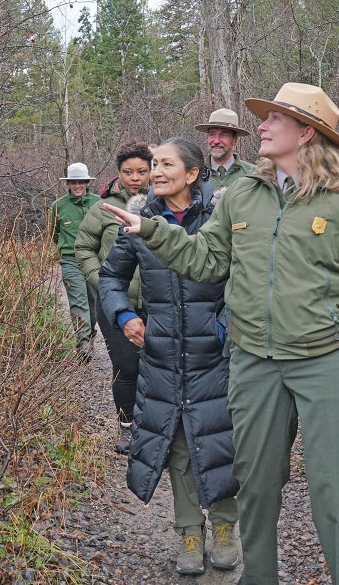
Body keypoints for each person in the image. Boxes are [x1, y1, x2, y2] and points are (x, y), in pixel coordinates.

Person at [104, 83, 339, 585]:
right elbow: (205, 261)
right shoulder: (243, 195)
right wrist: (152, 231)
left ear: (306, 132)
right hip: (253, 363)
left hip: (327, 361)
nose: (262, 128)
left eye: (274, 120)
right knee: (255, 485)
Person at [99, 137, 241, 576]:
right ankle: (189, 532)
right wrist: (124, 315)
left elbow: (245, 276)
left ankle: (223, 527)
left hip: (213, 354)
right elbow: (110, 277)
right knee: (177, 442)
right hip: (161, 353)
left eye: (165, 164)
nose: (155, 172)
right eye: (153, 164)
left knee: (219, 439)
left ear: (193, 174)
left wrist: (224, 324)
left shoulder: (219, 217)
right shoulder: (141, 221)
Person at [74, 142, 153, 454]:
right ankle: (127, 427)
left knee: (157, 365)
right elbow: (84, 249)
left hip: (156, 303)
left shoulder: (160, 204)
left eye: (142, 171)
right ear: (118, 173)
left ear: (151, 172)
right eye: (128, 172)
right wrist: (104, 283)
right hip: (114, 305)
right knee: (126, 365)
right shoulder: (102, 208)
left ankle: (155, 426)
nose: (135, 178)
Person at [49, 162, 100, 352]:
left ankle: (90, 334)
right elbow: (53, 233)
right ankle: (83, 344)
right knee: (78, 301)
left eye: (81, 182)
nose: (77, 186)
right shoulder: (58, 206)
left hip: (94, 260)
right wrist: (67, 248)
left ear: (87, 182)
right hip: (70, 260)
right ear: (68, 184)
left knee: (93, 302)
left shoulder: (99, 202)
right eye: (73, 182)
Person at [196, 108, 254, 191]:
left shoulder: (252, 174)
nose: (216, 141)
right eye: (212, 134)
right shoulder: (194, 174)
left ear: (235, 140)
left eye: (223, 135)